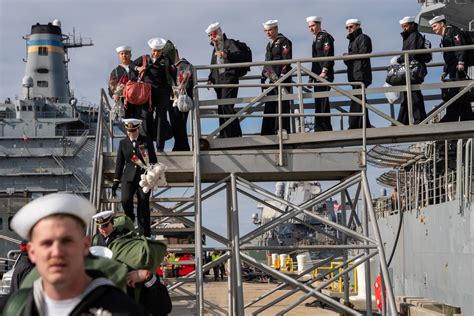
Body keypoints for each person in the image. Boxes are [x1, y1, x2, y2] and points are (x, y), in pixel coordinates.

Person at [4, 193, 144, 315]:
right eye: (46, 243)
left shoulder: (122, 310)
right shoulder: (12, 309)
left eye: (67, 241)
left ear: (85, 245)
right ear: (32, 252)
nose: (57, 252)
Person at [112, 118, 157, 237]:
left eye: (132, 131)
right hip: (128, 176)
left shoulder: (146, 141)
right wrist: (116, 181)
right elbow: (120, 163)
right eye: (128, 131)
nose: (130, 133)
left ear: (137, 129)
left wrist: (153, 175)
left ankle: (145, 234)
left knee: (143, 205)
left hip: (144, 177)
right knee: (125, 200)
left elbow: (153, 159)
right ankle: (130, 218)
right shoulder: (123, 143)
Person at [430, 15, 473, 122]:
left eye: (435, 26)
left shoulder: (453, 31)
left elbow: (460, 46)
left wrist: (461, 61)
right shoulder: (445, 35)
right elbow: (448, 56)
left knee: (457, 91)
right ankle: (466, 116)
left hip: (458, 67)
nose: (433, 29)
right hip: (453, 67)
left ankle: (451, 116)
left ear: (442, 24)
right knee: (460, 91)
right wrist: (445, 71)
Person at [135, 38, 174, 151]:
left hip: (163, 93)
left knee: (161, 118)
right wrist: (139, 68)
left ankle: (160, 147)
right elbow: (132, 66)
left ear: (162, 51)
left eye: (158, 51)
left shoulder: (166, 60)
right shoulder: (144, 58)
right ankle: (148, 146)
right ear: (151, 49)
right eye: (154, 50)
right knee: (146, 118)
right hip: (148, 94)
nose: (156, 53)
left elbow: (172, 74)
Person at [206, 22, 243, 138]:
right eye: (209, 36)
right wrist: (210, 78)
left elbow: (239, 56)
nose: (211, 37)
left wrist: (227, 55)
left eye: (213, 34)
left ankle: (235, 134)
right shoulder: (214, 49)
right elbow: (213, 65)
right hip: (219, 82)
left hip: (229, 79)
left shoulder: (229, 43)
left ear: (219, 33)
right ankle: (224, 133)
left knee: (227, 106)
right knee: (221, 108)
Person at [261, 20, 292, 135]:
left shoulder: (284, 41)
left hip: (283, 78)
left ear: (276, 29)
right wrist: (263, 76)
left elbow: (286, 60)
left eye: (270, 30)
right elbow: (267, 62)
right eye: (266, 31)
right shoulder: (269, 44)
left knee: (282, 105)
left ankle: (282, 129)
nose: (268, 33)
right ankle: (268, 131)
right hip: (272, 79)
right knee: (270, 104)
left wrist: (283, 75)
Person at [396, 16, 428, 125]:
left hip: (414, 69)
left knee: (414, 93)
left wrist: (399, 59)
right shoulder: (409, 36)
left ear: (412, 25)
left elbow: (412, 53)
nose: (404, 28)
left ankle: (420, 119)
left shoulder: (414, 36)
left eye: (405, 26)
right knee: (408, 93)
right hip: (411, 69)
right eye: (402, 27)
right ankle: (402, 120)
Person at [307, 16, 335, 132]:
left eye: (313, 26)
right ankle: (319, 125)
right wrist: (310, 78)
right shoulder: (316, 39)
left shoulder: (325, 37)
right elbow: (315, 60)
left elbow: (328, 55)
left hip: (324, 74)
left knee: (323, 100)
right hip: (317, 74)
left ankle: (324, 126)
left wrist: (324, 71)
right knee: (318, 101)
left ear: (318, 24)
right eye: (309, 27)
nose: (311, 29)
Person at [344, 19, 373, 129]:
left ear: (358, 26)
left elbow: (364, 52)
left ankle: (356, 124)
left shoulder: (363, 38)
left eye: (351, 27)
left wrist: (348, 56)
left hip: (361, 73)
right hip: (355, 74)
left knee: (358, 99)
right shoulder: (352, 40)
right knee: (359, 99)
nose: (349, 29)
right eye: (347, 28)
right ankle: (363, 123)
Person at [169, 50, 191, 151]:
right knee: (174, 123)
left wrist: (183, 85)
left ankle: (182, 147)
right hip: (172, 99)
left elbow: (189, 79)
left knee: (180, 123)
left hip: (182, 98)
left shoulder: (184, 64)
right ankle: (181, 145)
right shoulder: (170, 66)